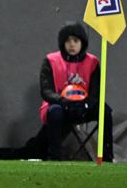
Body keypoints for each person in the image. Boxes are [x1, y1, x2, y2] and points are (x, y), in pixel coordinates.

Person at [39, 22, 113, 162]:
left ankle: (107, 156)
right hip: (59, 104)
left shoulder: (93, 62)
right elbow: (46, 90)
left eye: (75, 40)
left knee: (105, 111)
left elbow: (96, 93)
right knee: (54, 112)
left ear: (82, 42)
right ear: (62, 43)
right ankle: (55, 157)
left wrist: (85, 105)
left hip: (84, 106)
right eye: (67, 40)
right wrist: (63, 102)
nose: (71, 44)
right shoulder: (50, 60)